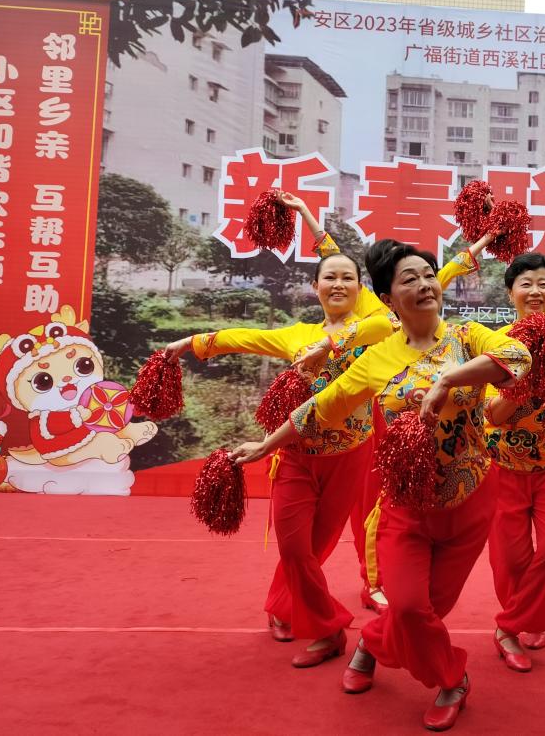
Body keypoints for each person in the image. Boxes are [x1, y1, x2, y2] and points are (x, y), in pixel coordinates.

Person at [232, 238, 531, 732]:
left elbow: (518, 358)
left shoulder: (468, 335)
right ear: (389, 299)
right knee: (410, 606)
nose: (425, 284)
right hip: (406, 505)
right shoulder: (376, 359)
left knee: (430, 609)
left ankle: (370, 644)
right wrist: (267, 444)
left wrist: (448, 380)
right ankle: (453, 679)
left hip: (470, 496)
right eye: (410, 279)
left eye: (429, 275)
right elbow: (322, 407)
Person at [164, 249, 394, 668]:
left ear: (360, 288)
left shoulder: (374, 329)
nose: (338, 284)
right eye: (330, 277)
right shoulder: (296, 335)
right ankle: (328, 627)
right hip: (295, 455)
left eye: (347, 277)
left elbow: (385, 322)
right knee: (293, 546)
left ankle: (280, 605)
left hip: (350, 456)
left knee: (316, 547)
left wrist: (329, 343)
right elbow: (243, 337)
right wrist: (192, 343)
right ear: (315, 286)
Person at [286, 193, 493, 617]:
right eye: (332, 278)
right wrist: (307, 215)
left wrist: (488, 237)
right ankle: (376, 583)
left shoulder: (436, 310)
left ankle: (384, 599)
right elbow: (332, 260)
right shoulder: (377, 315)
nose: (340, 283)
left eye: (426, 275)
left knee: (388, 511)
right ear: (385, 292)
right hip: (384, 419)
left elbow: (453, 267)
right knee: (381, 509)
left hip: (425, 432)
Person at [484, 253, 545, 671]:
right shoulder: (493, 344)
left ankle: (517, 622)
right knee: (511, 559)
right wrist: (524, 378)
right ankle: (515, 625)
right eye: (525, 283)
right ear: (510, 292)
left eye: (543, 283)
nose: (535, 291)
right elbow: (492, 414)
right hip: (502, 466)